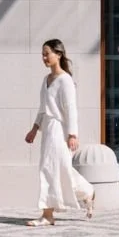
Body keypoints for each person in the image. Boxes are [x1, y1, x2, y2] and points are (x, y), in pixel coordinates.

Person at [23, 38, 95, 226]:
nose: (44, 57)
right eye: (43, 54)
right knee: (61, 171)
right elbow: (42, 108)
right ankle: (87, 191)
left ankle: (47, 215)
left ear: (59, 54)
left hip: (59, 130)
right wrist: (34, 129)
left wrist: (72, 134)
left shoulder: (65, 80)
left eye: (47, 53)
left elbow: (71, 108)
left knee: (49, 168)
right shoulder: (46, 80)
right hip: (47, 129)